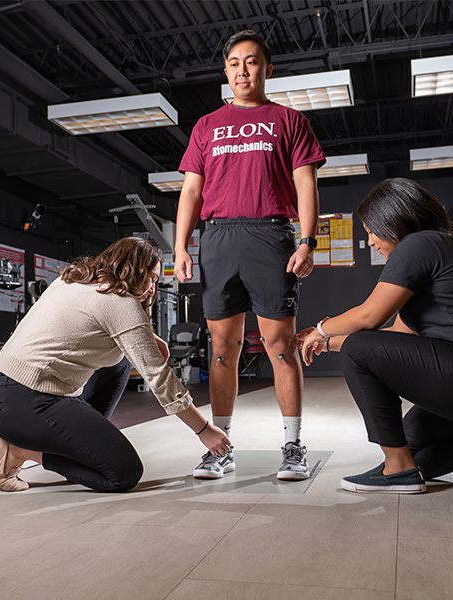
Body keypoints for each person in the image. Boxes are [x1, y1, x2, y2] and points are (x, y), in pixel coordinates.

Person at [299, 177, 453, 494]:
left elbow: (369, 316)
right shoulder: (437, 249)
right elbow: (396, 336)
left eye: (371, 230)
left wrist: (321, 329)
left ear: (393, 218)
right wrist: (326, 344)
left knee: (361, 350)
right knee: (409, 442)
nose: (370, 241)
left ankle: (397, 470)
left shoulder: (419, 245)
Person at [175, 30, 325, 480]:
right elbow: (191, 191)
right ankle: (220, 447)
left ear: (267, 68)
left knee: (280, 346)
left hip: (269, 236)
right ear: (226, 71)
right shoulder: (206, 125)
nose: (243, 70)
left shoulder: (289, 121)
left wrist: (308, 240)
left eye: (253, 61)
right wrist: (181, 247)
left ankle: (293, 445)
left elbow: (305, 183)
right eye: (235, 62)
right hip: (218, 239)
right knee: (223, 347)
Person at [0, 237, 231, 492]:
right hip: (26, 403)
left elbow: (69, 325)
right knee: (123, 473)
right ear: (134, 271)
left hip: (3, 391)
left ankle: (79, 452)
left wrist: (143, 337)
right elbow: (159, 377)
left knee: (119, 365)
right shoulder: (120, 303)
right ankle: (18, 451)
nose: (152, 289)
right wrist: (204, 430)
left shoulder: (74, 280)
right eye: (152, 278)